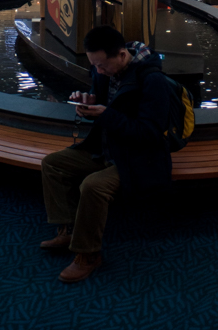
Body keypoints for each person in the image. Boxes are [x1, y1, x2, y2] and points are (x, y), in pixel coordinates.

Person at [40, 25, 171, 283]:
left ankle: (88, 254)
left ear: (122, 55)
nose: (98, 71)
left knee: (93, 186)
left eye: (101, 66)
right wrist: (87, 104)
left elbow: (151, 134)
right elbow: (101, 103)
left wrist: (107, 115)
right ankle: (69, 228)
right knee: (53, 164)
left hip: (139, 158)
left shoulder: (152, 80)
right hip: (107, 148)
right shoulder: (105, 71)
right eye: (94, 66)